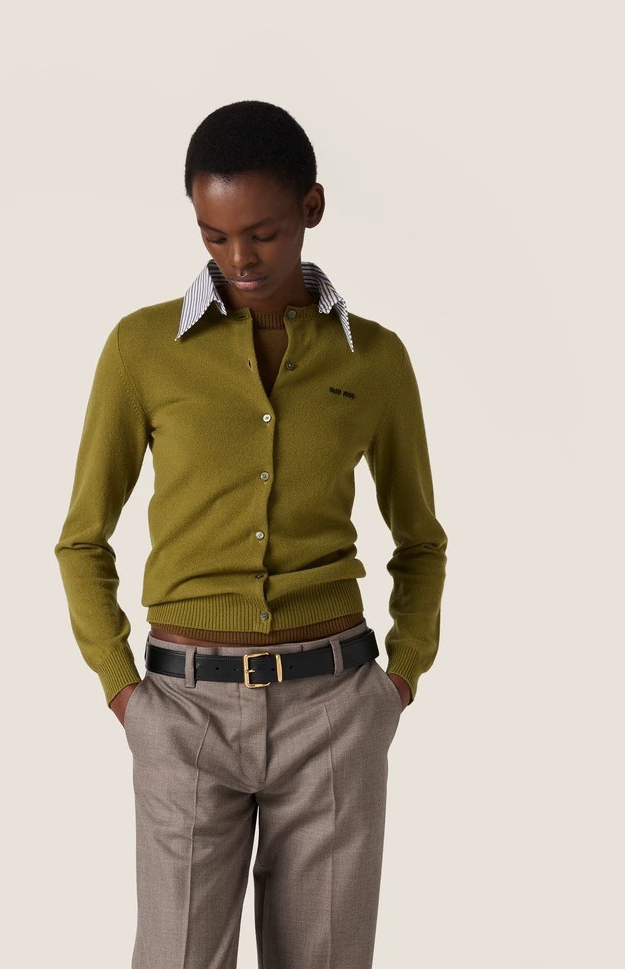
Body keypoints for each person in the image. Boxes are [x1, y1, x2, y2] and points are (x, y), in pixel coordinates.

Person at [54, 99, 448, 969]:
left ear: (311, 207)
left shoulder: (374, 359)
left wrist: (398, 681)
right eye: (215, 236)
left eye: (263, 234)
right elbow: (82, 540)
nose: (239, 259)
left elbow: (420, 540)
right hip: (183, 710)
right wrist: (124, 693)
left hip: (335, 708)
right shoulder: (141, 349)